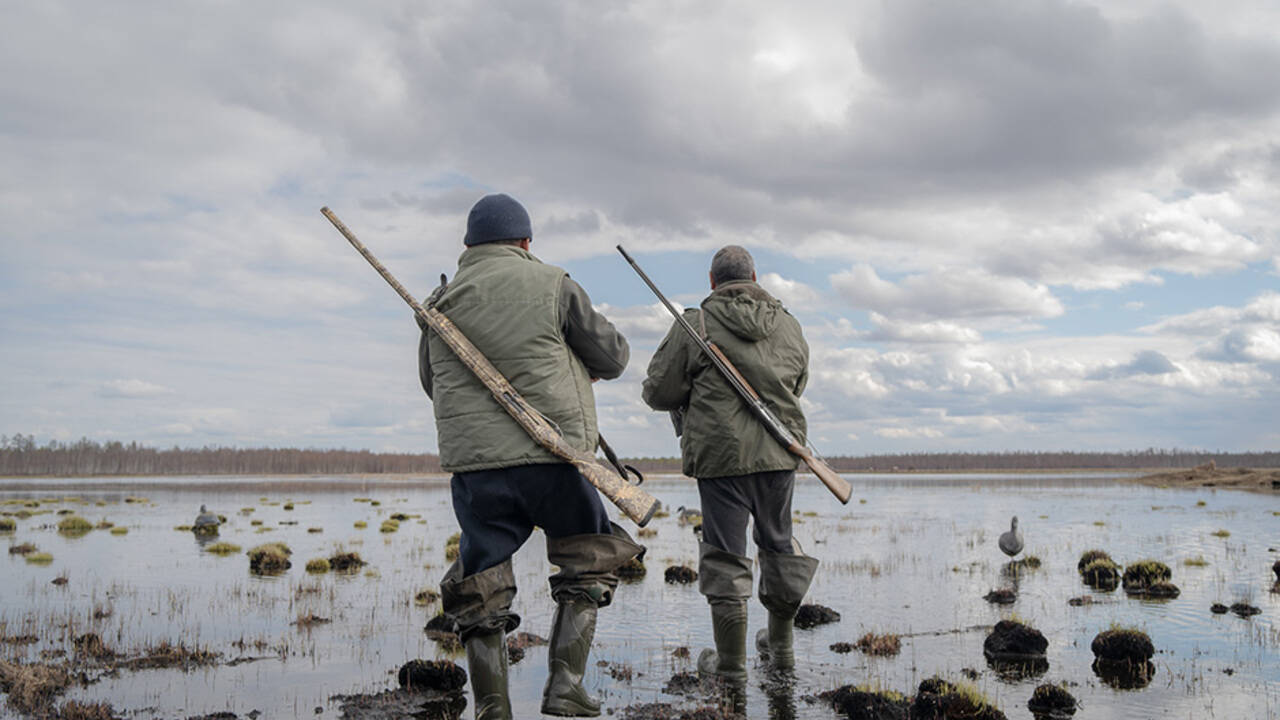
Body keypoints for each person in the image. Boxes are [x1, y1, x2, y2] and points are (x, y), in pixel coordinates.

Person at [419, 193, 643, 719]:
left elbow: (434, 384)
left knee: (480, 587)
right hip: (554, 457)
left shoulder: (437, 305)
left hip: (478, 470)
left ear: (468, 245)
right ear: (525, 242)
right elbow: (613, 356)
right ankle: (565, 687)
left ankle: (493, 711)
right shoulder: (553, 282)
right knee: (590, 559)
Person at [641, 245, 818, 683]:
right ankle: (782, 651)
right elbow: (799, 381)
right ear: (755, 277)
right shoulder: (789, 325)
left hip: (721, 459)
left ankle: (731, 667)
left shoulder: (695, 323)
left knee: (725, 556)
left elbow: (658, 391)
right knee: (778, 544)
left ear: (712, 281)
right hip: (780, 454)